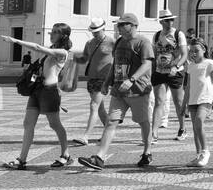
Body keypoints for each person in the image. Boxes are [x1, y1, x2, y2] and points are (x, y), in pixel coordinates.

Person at [79, 13, 155, 170]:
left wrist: (132, 79)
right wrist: (107, 83)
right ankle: (99, 158)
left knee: (143, 122)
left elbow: (147, 64)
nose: (118, 27)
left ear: (133, 25)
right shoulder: (119, 42)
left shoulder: (143, 42)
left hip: (138, 90)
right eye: (118, 25)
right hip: (118, 91)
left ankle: (147, 152)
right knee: (111, 122)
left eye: (122, 24)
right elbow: (115, 65)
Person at [0, 24, 72, 170]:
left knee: (54, 124)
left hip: (49, 92)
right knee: (28, 124)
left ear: (64, 36)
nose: (52, 34)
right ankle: (22, 160)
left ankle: (66, 154)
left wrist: (16, 41)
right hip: (37, 90)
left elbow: (37, 47)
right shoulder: (50, 52)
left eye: (56, 32)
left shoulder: (62, 52)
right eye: (52, 31)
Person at [70, 17, 114, 147]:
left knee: (93, 105)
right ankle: (109, 132)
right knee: (100, 109)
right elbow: (84, 59)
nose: (95, 33)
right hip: (91, 78)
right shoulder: (89, 43)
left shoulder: (112, 42)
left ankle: (86, 136)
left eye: (97, 31)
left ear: (103, 29)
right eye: (93, 31)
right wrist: (73, 59)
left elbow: (119, 58)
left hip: (104, 79)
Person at [151, 9, 189, 141]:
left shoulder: (178, 34)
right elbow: (154, 55)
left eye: (172, 19)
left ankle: (183, 128)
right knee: (159, 102)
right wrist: (152, 71)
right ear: (161, 21)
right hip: (159, 72)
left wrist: (176, 66)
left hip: (175, 72)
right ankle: (154, 133)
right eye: (167, 20)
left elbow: (184, 54)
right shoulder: (156, 36)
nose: (170, 22)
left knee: (178, 102)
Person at [184, 40, 213, 167]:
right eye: (191, 51)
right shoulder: (190, 65)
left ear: (204, 50)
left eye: (196, 50)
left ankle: (205, 151)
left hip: (206, 98)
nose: (193, 53)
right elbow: (187, 86)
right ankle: (198, 155)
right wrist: (184, 104)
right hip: (193, 99)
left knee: (199, 121)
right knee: (195, 128)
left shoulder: (210, 63)